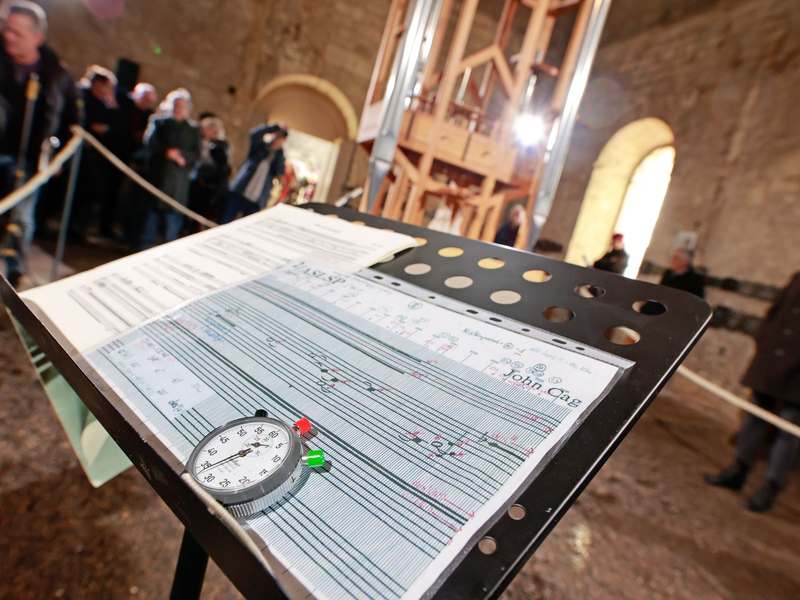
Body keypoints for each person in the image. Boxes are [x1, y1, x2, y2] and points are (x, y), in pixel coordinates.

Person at [704, 271, 800, 512]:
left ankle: (770, 486)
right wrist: (765, 339)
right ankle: (738, 470)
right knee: (754, 417)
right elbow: (776, 313)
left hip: (797, 373)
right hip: (771, 361)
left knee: (789, 430)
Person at [0, 1, 80, 286]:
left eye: (18, 32)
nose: (8, 36)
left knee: (21, 219)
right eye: (7, 28)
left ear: (37, 37)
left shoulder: (56, 73)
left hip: (31, 160)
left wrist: (58, 157)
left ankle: (14, 272)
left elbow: (74, 120)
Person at [138, 88, 200, 249]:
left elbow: (196, 153)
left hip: (177, 184)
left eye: (182, 105)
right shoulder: (158, 122)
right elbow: (151, 143)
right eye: (176, 104)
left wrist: (181, 155)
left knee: (172, 223)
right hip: (158, 177)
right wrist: (166, 152)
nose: (178, 108)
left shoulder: (193, 130)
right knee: (150, 219)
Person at [71, 65, 118, 240]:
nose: (108, 91)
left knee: (88, 195)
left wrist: (112, 107)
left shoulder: (103, 103)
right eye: (107, 86)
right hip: (77, 152)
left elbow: (112, 126)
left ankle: (78, 229)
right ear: (97, 84)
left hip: (93, 158)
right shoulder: (81, 95)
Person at [114, 82, 157, 247]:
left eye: (149, 101)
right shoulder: (122, 104)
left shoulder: (148, 116)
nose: (146, 103)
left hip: (139, 166)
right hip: (119, 155)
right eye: (144, 98)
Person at [219, 123, 287, 224]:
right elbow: (255, 134)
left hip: (256, 201)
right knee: (224, 221)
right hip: (240, 192)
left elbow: (280, 171)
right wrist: (275, 127)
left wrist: (279, 149)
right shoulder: (259, 148)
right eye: (276, 135)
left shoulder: (278, 156)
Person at [187, 115, 230, 225]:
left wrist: (204, 178)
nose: (202, 131)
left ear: (212, 130)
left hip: (207, 190)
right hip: (202, 186)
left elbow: (222, 169)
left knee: (197, 219)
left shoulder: (218, 146)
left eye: (205, 129)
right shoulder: (209, 144)